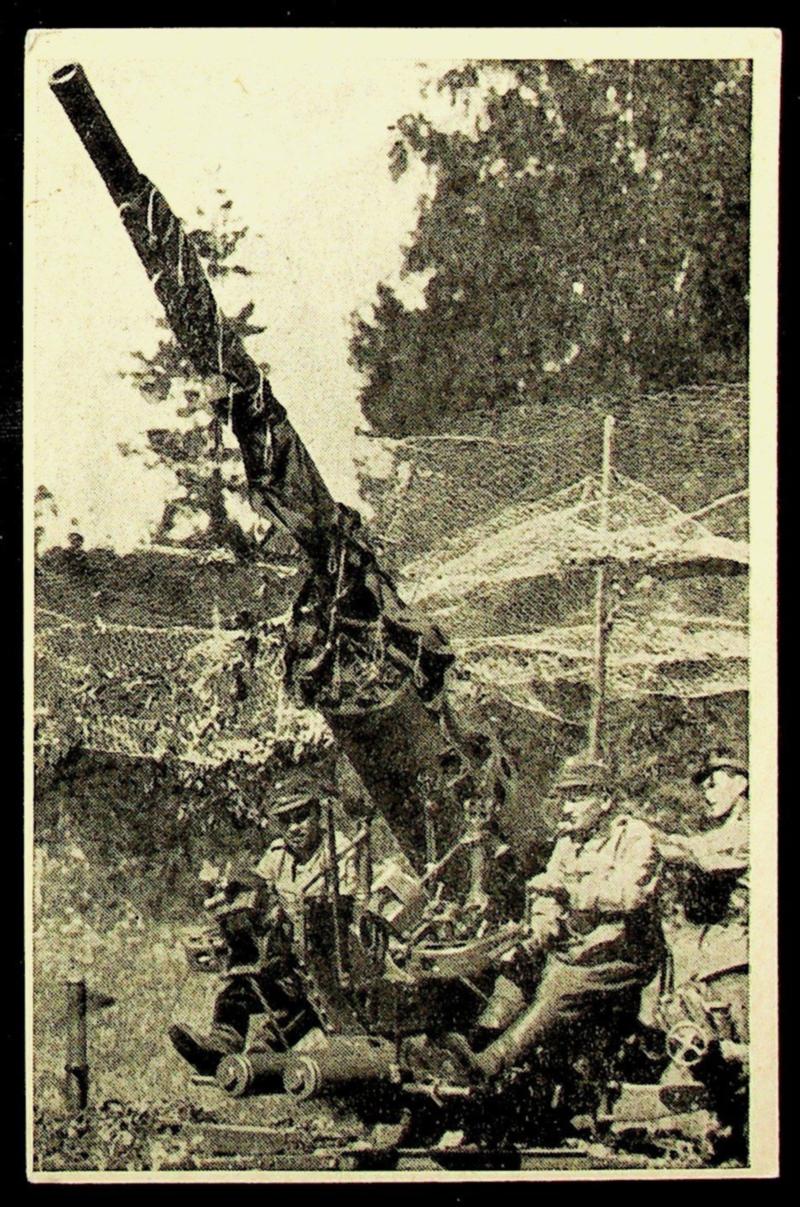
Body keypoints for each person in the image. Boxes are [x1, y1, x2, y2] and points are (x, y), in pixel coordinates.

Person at [451, 751, 665, 1079]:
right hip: (576, 950)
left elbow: (631, 895)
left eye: (576, 798)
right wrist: (537, 934)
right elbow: (547, 897)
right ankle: (479, 1039)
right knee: (516, 967)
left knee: (560, 985)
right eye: (564, 798)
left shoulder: (635, 836)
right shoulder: (568, 842)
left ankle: (491, 1064)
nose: (566, 808)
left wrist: (570, 894)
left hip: (621, 955)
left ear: (605, 800)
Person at [169, 776, 357, 1075]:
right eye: (286, 821)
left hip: (328, 964)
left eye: (301, 817)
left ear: (318, 814)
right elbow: (256, 891)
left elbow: (346, 911)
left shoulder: (340, 850)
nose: (294, 828)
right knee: (238, 991)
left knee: (304, 1000)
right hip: (287, 959)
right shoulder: (278, 854)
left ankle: (261, 1058)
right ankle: (219, 1047)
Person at [653, 749, 749, 988]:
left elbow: (704, 856)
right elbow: (696, 844)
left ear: (740, 784)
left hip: (744, 944)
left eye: (713, 785)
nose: (706, 795)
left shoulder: (751, 826)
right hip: (725, 938)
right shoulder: (730, 828)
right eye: (704, 788)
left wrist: (648, 838)